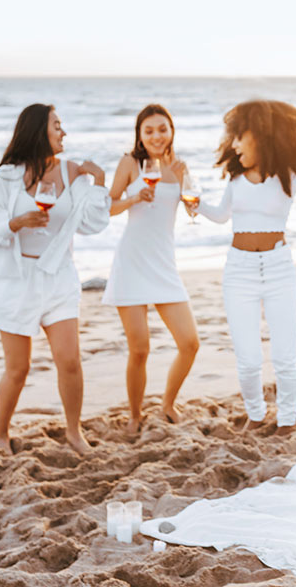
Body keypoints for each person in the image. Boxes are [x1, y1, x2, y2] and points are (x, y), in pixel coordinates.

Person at [194, 99, 296, 430]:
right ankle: (256, 415)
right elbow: (220, 216)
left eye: (238, 136)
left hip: (278, 269)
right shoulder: (235, 179)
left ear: (259, 135)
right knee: (248, 362)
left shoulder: (294, 173)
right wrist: (193, 204)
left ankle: (287, 420)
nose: (233, 144)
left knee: (284, 359)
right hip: (239, 272)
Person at [0, 104, 110, 455]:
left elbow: (93, 224)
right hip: (16, 280)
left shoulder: (74, 173)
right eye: (57, 126)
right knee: (18, 369)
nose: (64, 133)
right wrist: (17, 223)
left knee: (69, 360)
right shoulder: (7, 177)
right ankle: (1, 434)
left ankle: (74, 432)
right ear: (38, 131)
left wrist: (100, 184)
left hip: (57, 276)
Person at [102, 103, 200, 431]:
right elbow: (107, 207)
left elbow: (190, 205)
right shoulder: (130, 163)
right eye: (149, 131)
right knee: (140, 349)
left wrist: (194, 207)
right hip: (131, 263)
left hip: (164, 264)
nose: (156, 136)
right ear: (140, 135)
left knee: (190, 343)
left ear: (171, 131)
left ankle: (168, 403)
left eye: (162, 129)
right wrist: (133, 199)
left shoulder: (180, 167)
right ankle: (134, 415)